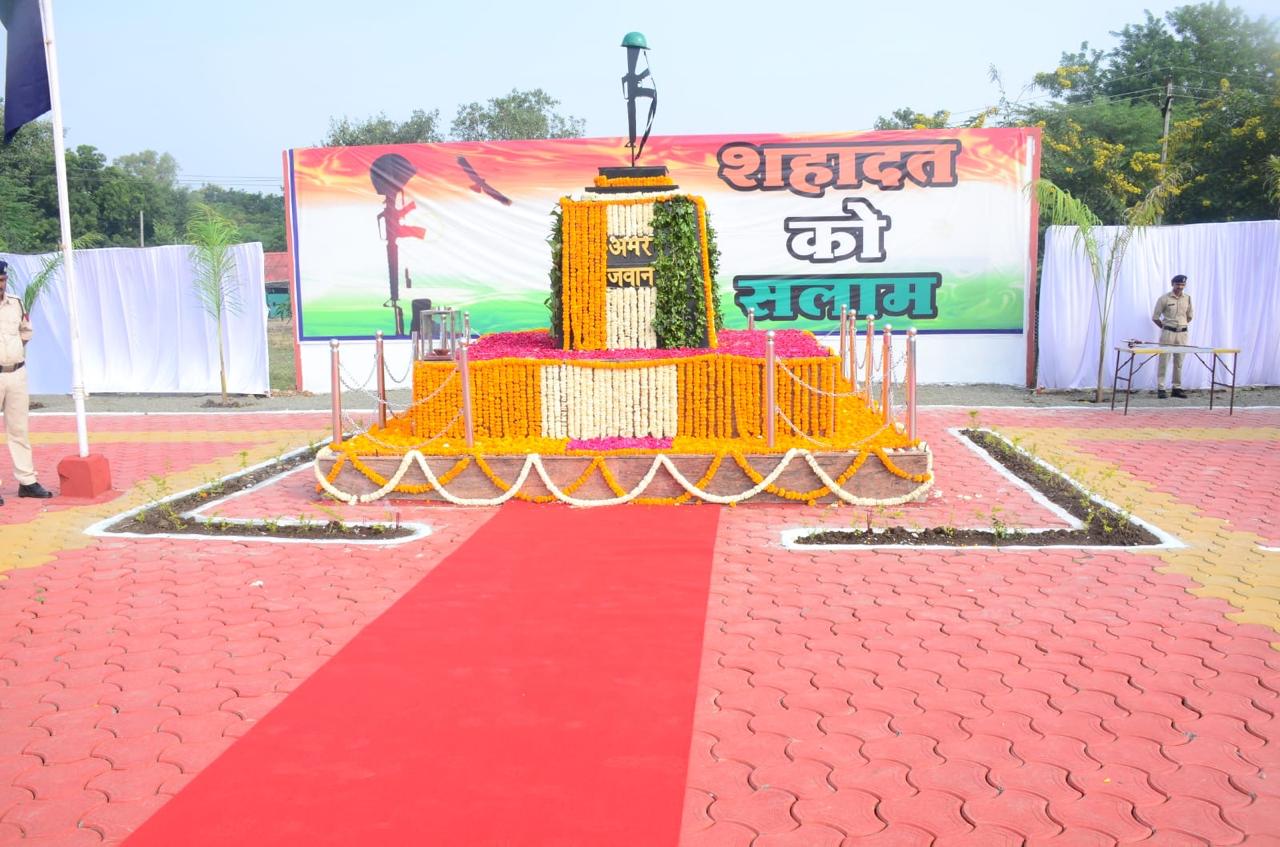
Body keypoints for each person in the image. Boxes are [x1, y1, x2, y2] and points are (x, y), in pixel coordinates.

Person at [0, 260, 55, 505]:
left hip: (16, 373)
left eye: (3, 280)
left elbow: (25, 331)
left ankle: (27, 481)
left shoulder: (15, 303)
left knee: (19, 430)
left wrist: (12, 351)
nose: (1, 285)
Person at [1151, 273, 1194, 399]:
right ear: (1172, 284)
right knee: (1164, 361)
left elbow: (1189, 316)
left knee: (1179, 362)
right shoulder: (1164, 299)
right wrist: (1166, 327)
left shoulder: (1188, 298)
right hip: (1168, 334)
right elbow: (1155, 317)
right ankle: (1161, 388)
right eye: (1177, 284)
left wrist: (1181, 326)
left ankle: (1176, 388)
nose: (1180, 287)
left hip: (1182, 334)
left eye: (1182, 284)